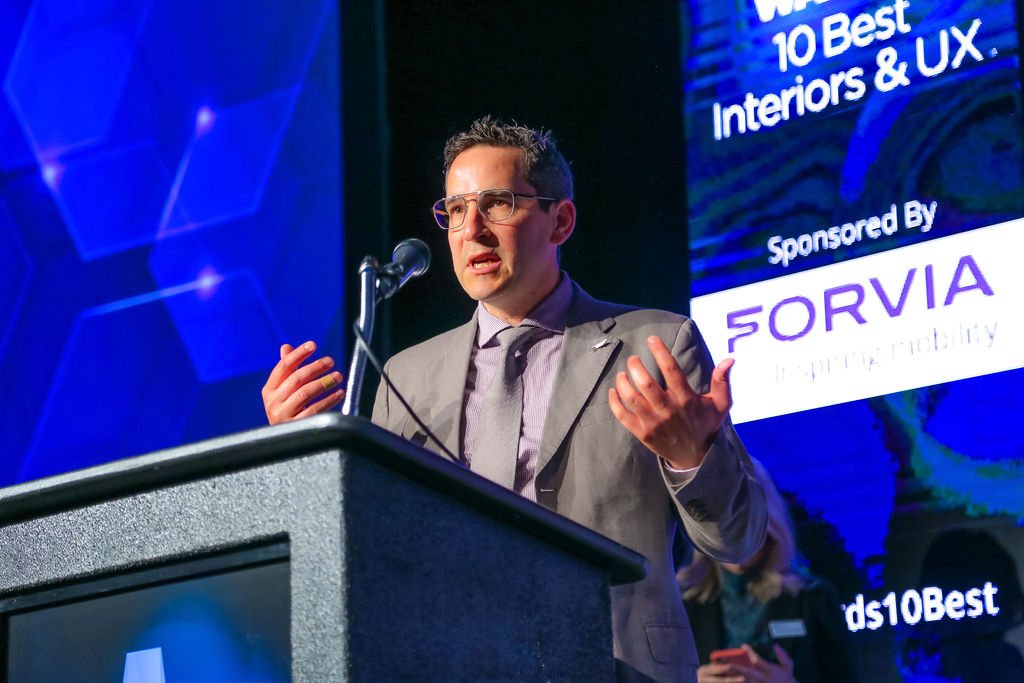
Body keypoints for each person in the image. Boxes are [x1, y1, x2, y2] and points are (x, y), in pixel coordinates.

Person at [262, 116, 767, 682]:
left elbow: (737, 539)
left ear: (561, 220)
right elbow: (378, 551)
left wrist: (690, 457)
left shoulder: (654, 345)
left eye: (497, 204)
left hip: (617, 667)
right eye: (456, 210)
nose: (472, 229)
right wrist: (303, 455)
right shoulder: (407, 376)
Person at [678, 458, 856, 683]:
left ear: (767, 518)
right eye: (718, 516)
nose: (731, 531)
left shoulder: (814, 599)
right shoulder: (681, 606)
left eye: (739, 515)